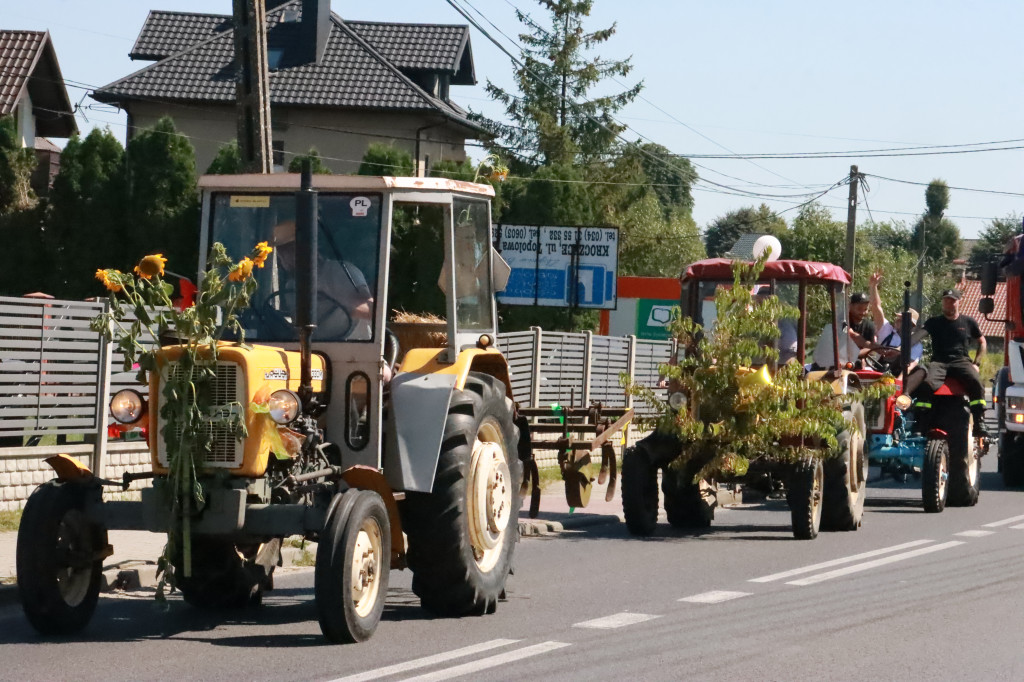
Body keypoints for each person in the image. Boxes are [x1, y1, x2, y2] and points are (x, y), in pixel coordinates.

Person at [271, 219, 374, 341]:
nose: (284, 260)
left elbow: (370, 310)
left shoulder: (341, 272)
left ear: (309, 248)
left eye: (289, 250)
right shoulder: (291, 285)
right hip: (310, 348)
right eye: (281, 253)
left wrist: (333, 297)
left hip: (351, 348)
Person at [913, 288, 989, 437]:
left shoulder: (968, 322)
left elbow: (982, 342)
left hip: (961, 361)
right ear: (943, 303)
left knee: (976, 382)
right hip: (939, 362)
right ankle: (921, 423)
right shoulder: (934, 322)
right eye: (946, 300)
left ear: (958, 302)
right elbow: (917, 337)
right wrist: (903, 346)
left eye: (952, 301)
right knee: (926, 385)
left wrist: (976, 363)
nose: (949, 304)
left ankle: (979, 422)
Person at [867, 270, 922, 373]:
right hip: (878, 371)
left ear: (911, 325)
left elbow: (910, 366)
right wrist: (873, 286)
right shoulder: (887, 330)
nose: (897, 320)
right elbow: (876, 307)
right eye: (898, 318)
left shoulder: (916, 343)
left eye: (902, 320)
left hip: (899, 375)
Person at [753, 285, 798, 365]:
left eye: (761, 303)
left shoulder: (783, 323)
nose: (758, 306)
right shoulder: (756, 323)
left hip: (783, 366)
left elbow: (775, 346)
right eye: (758, 303)